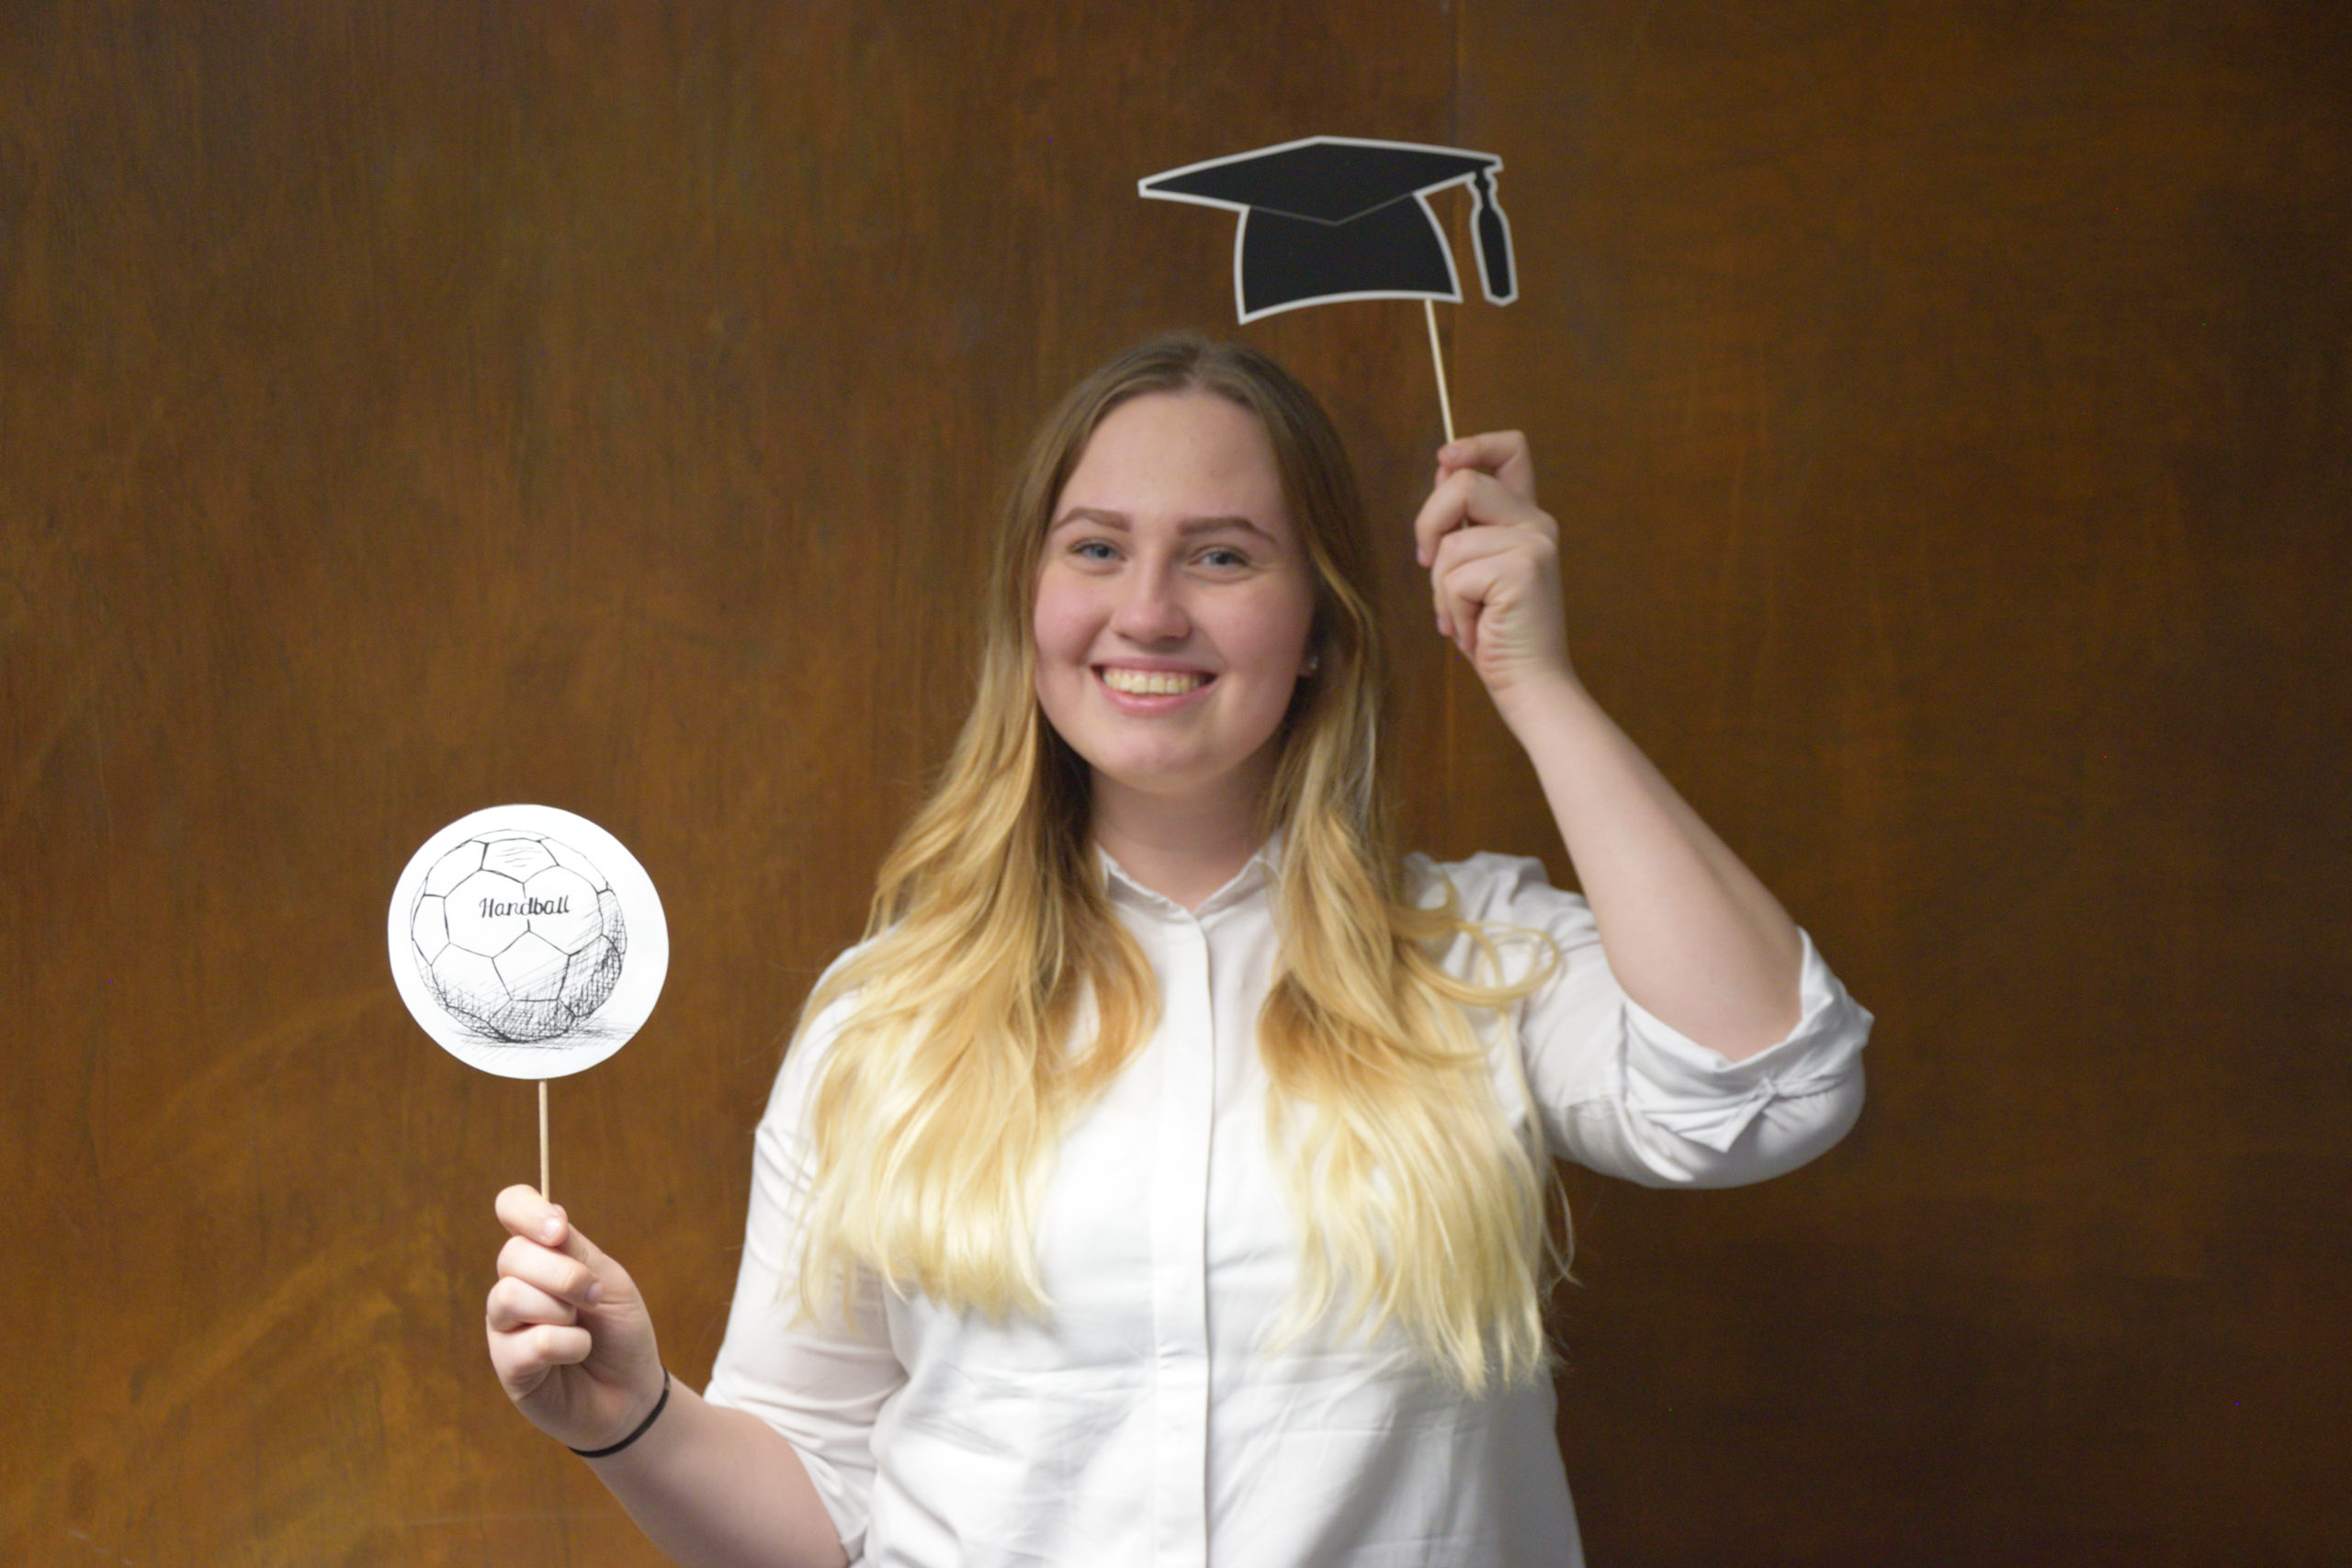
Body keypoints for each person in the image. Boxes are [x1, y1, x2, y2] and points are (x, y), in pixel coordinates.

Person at [484, 334, 1871, 1567]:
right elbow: (817, 1511)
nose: (1148, 610)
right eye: (1097, 548)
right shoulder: (884, 1016)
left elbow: (1768, 1088)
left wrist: (1535, 681)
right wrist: (633, 1419)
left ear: (1319, 624)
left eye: (1221, 555)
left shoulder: (1481, 956)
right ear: (1031, 603)